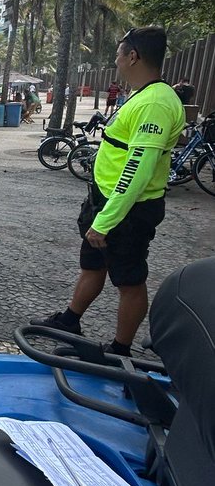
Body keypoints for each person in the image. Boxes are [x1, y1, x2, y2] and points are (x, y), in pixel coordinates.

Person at [34, 27, 185, 355]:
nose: (115, 60)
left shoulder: (156, 102)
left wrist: (107, 220)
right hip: (105, 200)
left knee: (129, 280)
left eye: (119, 54)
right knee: (93, 264)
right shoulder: (143, 95)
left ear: (133, 56)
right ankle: (70, 319)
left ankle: (120, 349)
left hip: (127, 210)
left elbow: (139, 168)